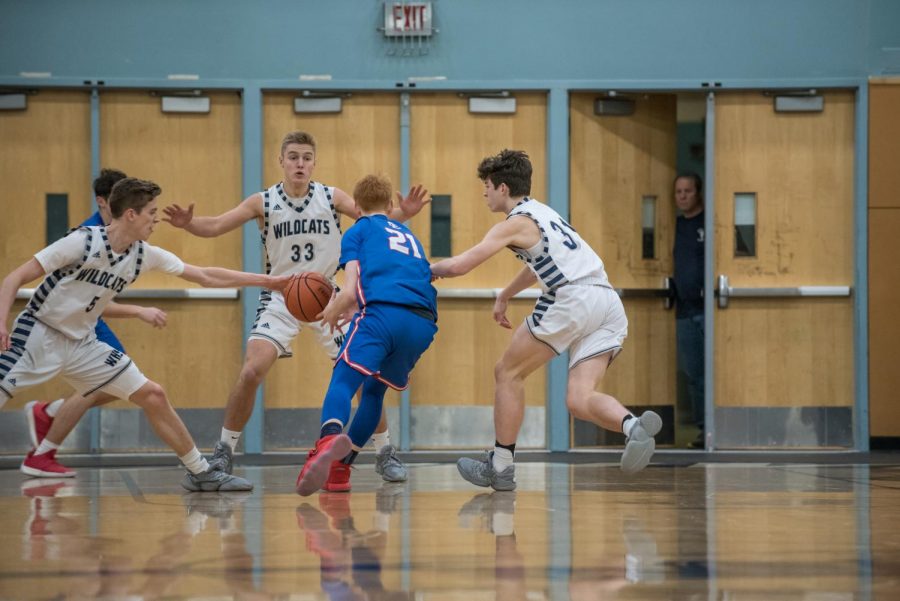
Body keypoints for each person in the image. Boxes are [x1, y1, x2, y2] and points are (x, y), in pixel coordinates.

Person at [163, 132, 429, 487]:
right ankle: (224, 450)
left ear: (314, 163)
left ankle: (384, 452)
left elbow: (374, 219)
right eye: (293, 157)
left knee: (364, 374)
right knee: (251, 370)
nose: (299, 163)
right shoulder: (264, 201)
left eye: (306, 157)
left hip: (330, 296)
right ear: (281, 161)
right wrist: (189, 224)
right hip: (282, 294)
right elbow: (215, 226)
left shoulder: (331, 196)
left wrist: (402, 215)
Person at [1, 177, 291, 492]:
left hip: (83, 343)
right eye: (151, 212)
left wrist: (270, 282)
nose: (155, 219)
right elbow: (14, 278)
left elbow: (205, 275)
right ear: (130, 215)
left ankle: (202, 473)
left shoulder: (143, 255)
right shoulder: (82, 242)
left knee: (152, 394)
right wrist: (2, 323)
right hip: (40, 333)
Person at [430, 149, 661, 491]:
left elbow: (461, 265)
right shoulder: (544, 213)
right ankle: (632, 427)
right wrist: (506, 293)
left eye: (487, 186)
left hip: (571, 298)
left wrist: (420, 272)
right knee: (579, 399)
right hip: (607, 300)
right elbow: (538, 264)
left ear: (503, 188)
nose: (484, 193)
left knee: (507, 372)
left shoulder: (514, 223)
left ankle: (502, 465)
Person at [21, 168, 169, 477]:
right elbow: (80, 299)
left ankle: (48, 413)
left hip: (87, 320)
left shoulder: (126, 241)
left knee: (117, 384)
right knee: (108, 384)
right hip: (71, 322)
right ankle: (44, 451)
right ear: (105, 203)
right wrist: (138, 311)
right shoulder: (85, 237)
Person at [295, 174, 437, 496]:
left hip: (383, 315)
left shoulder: (357, 231)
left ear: (356, 207)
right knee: (374, 394)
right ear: (390, 206)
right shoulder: (409, 236)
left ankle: (329, 438)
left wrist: (335, 308)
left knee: (344, 380)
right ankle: (340, 470)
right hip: (422, 324)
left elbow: (350, 285)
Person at [672, 173, 705, 449]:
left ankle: (714, 430)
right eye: (678, 192)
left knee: (710, 373)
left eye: (688, 191)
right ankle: (702, 428)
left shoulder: (707, 224)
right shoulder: (675, 226)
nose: (683, 196)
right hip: (684, 310)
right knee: (693, 374)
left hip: (709, 309)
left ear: (698, 193)